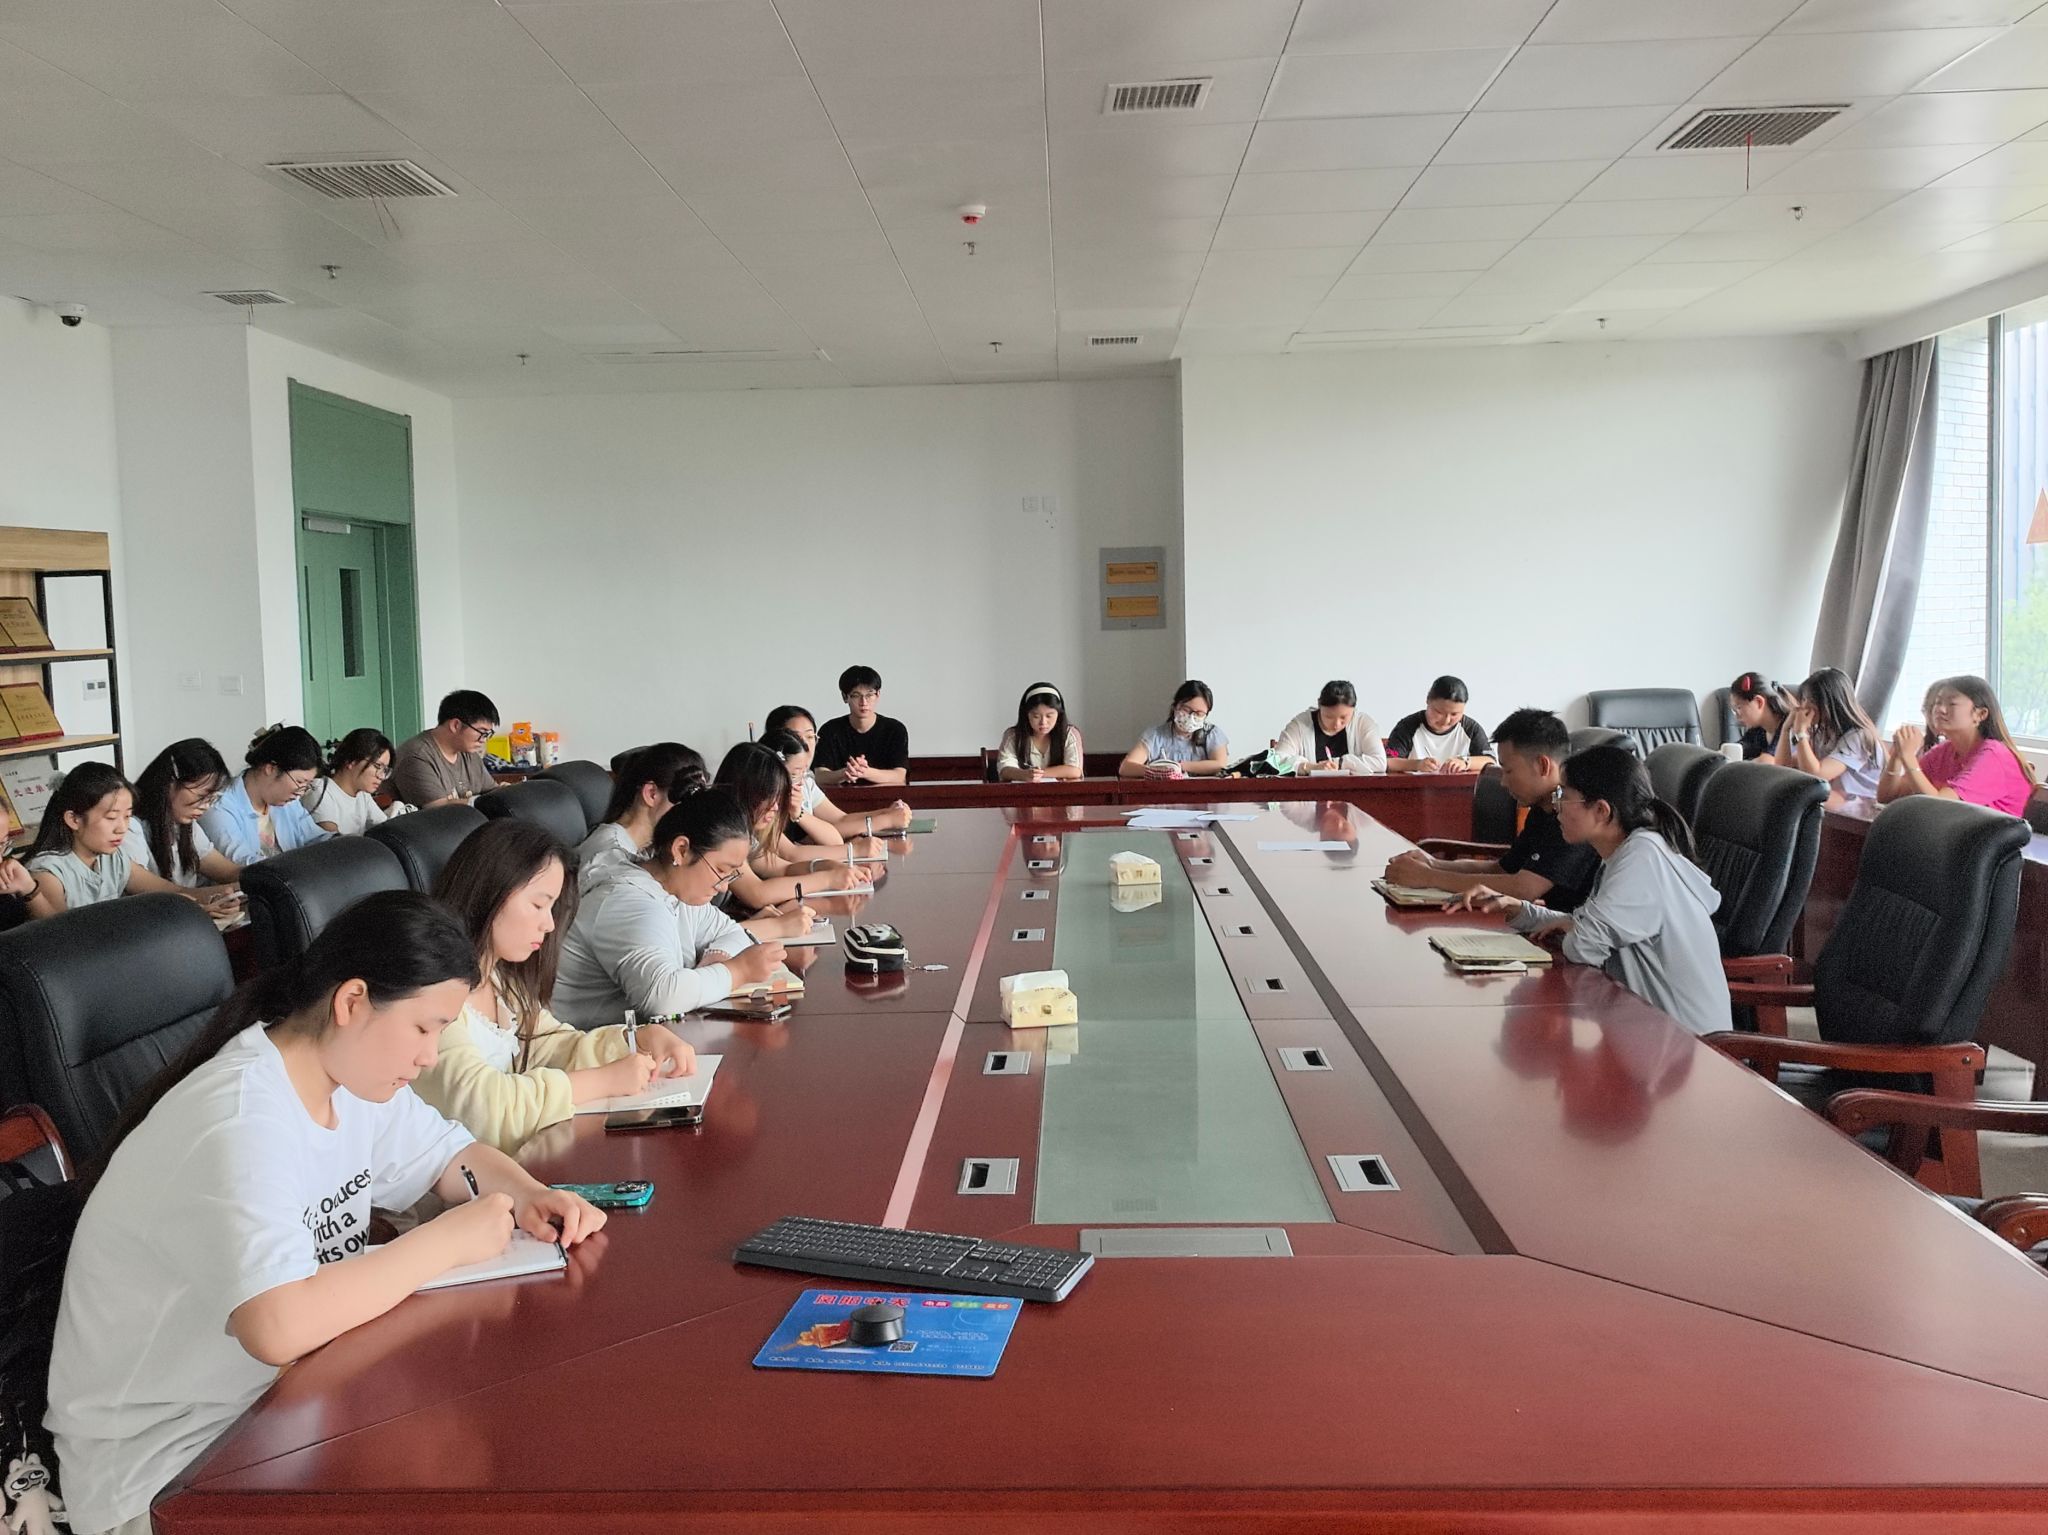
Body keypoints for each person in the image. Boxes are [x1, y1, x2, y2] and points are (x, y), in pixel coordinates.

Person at [46, 890, 605, 1535]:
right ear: (351, 1001)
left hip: (285, 1402)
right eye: (424, 1028)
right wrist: (445, 1243)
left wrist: (528, 1194)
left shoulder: (352, 1079)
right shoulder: (239, 1120)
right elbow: (278, 1326)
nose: (430, 1055)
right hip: (166, 1474)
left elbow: (451, 1157)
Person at [414, 819, 697, 1154]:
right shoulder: (433, 992)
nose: (549, 924)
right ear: (490, 891)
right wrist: (602, 1080)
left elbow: (552, 1046)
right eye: (538, 904)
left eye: (551, 908)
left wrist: (633, 1039)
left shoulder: (501, 981)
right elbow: (484, 1107)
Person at [1454, 746, 1729, 1037]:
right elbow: (1585, 927)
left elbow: (1583, 946)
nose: (1556, 806)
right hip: (1645, 1028)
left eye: (1564, 796)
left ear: (1601, 810)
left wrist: (1573, 926)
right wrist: (1518, 909)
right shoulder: (1624, 853)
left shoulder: (1642, 858)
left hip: (1688, 1046)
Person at [552, 788, 794, 1027]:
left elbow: (732, 932)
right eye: (721, 870)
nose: (723, 887)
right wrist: (739, 970)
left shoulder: (677, 889)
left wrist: (717, 958)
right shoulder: (628, 901)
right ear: (681, 850)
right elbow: (663, 997)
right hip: (587, 1042)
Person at [1383, 708, 1600, 911]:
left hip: (1564, 932)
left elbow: (1524, 888)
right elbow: (1502, 870)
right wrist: (1433, 864)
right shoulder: (1542, 808)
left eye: (1508, 771)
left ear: (1543, 766)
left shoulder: (1577, 813)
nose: (1503, 782)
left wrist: (1429, 877)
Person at [23, 763, 208, 916]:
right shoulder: (49, 874)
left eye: (127, 816)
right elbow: (64, 937)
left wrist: (214, 900)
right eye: (111, 817)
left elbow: (173, 893)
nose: (122, 828)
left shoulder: (113, 858)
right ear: (74, 819)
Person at [713, 741, 868, 912]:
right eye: (769, 798)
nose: (776, 808)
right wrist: (828, 879)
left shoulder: (744, 830)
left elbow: (783, 869)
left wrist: (825, 866)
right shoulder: (721, 829)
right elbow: (757, 894)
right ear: (745, 792)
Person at [1879, 674, 2040, 815]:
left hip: (1991, 839)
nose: (1940, 709)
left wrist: (1909, 758)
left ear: (1980, 714)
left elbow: (1940, 807)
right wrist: (1898, 755)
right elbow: (1887, 797)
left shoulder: (1993, 755)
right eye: (1937, 702)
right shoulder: (1944, 751)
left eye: (1951, 704)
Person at [763, 704, 910, 837]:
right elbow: (807, 842)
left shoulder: (807, 782)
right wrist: (886, 820)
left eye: (810, 736)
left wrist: (887, 812)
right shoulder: (771, 788)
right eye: (796, 737)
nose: (805, 745)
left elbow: (840, 819)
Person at [198, 725, 333, 866]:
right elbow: (242, 862)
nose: (300, 792)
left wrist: (340, 844)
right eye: (299, 782)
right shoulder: (219, 807)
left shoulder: (287, 802)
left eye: (307, 785)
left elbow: (315, 839)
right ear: (270, 768)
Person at [576, 742, 708, 886]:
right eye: (685, 800)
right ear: (651, 794)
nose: (693, 812)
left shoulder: (651, 850)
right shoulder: (608, 856)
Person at [124, 737, 242, 889]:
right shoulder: (131, 827)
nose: (206, 806)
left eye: (212, 799)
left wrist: (263, 876)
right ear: (170, 783)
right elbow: (166, 895)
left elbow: (228, 872)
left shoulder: (184, 824)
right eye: (201, 796)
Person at [1772, 666, 1882, 806]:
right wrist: (1786, 729)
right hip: (1837, 799)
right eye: (1804, 699)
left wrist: (1801, 733)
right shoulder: (1821, 730)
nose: (1804, 706)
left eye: (1812, 701)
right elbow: (1783, 766)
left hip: (1862, 805)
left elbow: (1817, 775)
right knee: (1782, 788)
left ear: (1832, 703)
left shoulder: (1859, 736)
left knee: (1800, 796)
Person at [389, 690, 500, 809]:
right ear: (455, 725)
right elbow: (437, 809)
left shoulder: (469, 753)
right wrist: (483, 802)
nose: (483, 740)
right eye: (482, 732)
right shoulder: (416, 756)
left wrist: (505, 791)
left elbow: (491, 790)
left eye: (488, 734)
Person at [811, 666, 910, 787]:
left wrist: (864, 772)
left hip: (886, 796)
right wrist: (845, 773)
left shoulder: (895, 729)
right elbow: (820, 776)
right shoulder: (830, 730)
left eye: (869, 695)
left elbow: (899, 776)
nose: (864, 702)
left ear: (878, 695)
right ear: (845, 697)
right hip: (839, 797)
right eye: (856, 695)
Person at [1119, 680, 1231, 778]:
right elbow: (1126, 768)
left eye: (1199, 713)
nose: (1191, 717)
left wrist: (1179, 766)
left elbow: (1220, 764)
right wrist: (1157, 770)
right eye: (1186, 710)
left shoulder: (1211, 733)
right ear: (1175, 707)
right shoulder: (1155, 736)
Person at [1271, 680, 1386, 774]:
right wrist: (1310, 767)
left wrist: (1340, 763)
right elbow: (1276, 761)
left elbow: (1380, 762)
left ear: (1353, 709)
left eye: (1343, 717)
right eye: (1329, 717)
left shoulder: (1363, 723)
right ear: (1319, 705)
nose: (1336, 724)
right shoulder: (1300, 725)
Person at [1385, 676, 1493, 773]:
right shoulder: (1408, 726)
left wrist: (1465, 762)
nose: (1446, 720)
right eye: (1439, 712)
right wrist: (1417, 764)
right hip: (1416, 786)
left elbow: (1490, 760)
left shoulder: (1471, 729)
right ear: (1428, 700)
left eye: (1454, 714)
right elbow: (1388, 762)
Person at [303, 728, 395, 836]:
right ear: (351, 761)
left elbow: (385, 827)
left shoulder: (363, 795)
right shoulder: (320, 791)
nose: (381, 776)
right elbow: (333, 842)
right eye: (377, 766)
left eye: (385, 770)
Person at [997, 683, 1084, 782]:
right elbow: (1004, 769)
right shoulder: (1013, 735)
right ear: (1026, 715)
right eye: (1036, 716)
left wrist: (1038, 773)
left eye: (1049, 716)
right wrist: (1023, 775)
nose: (1043, 722)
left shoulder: (1070, 734)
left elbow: (1074, 770)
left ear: (1059, 714)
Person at [1728, 672, 1789, 760]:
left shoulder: (1789, 726)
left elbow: (1769, 760)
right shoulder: (1758, 730)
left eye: (1739, 708)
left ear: (1759, 702)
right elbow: (1738, 748)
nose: (1737, 716)